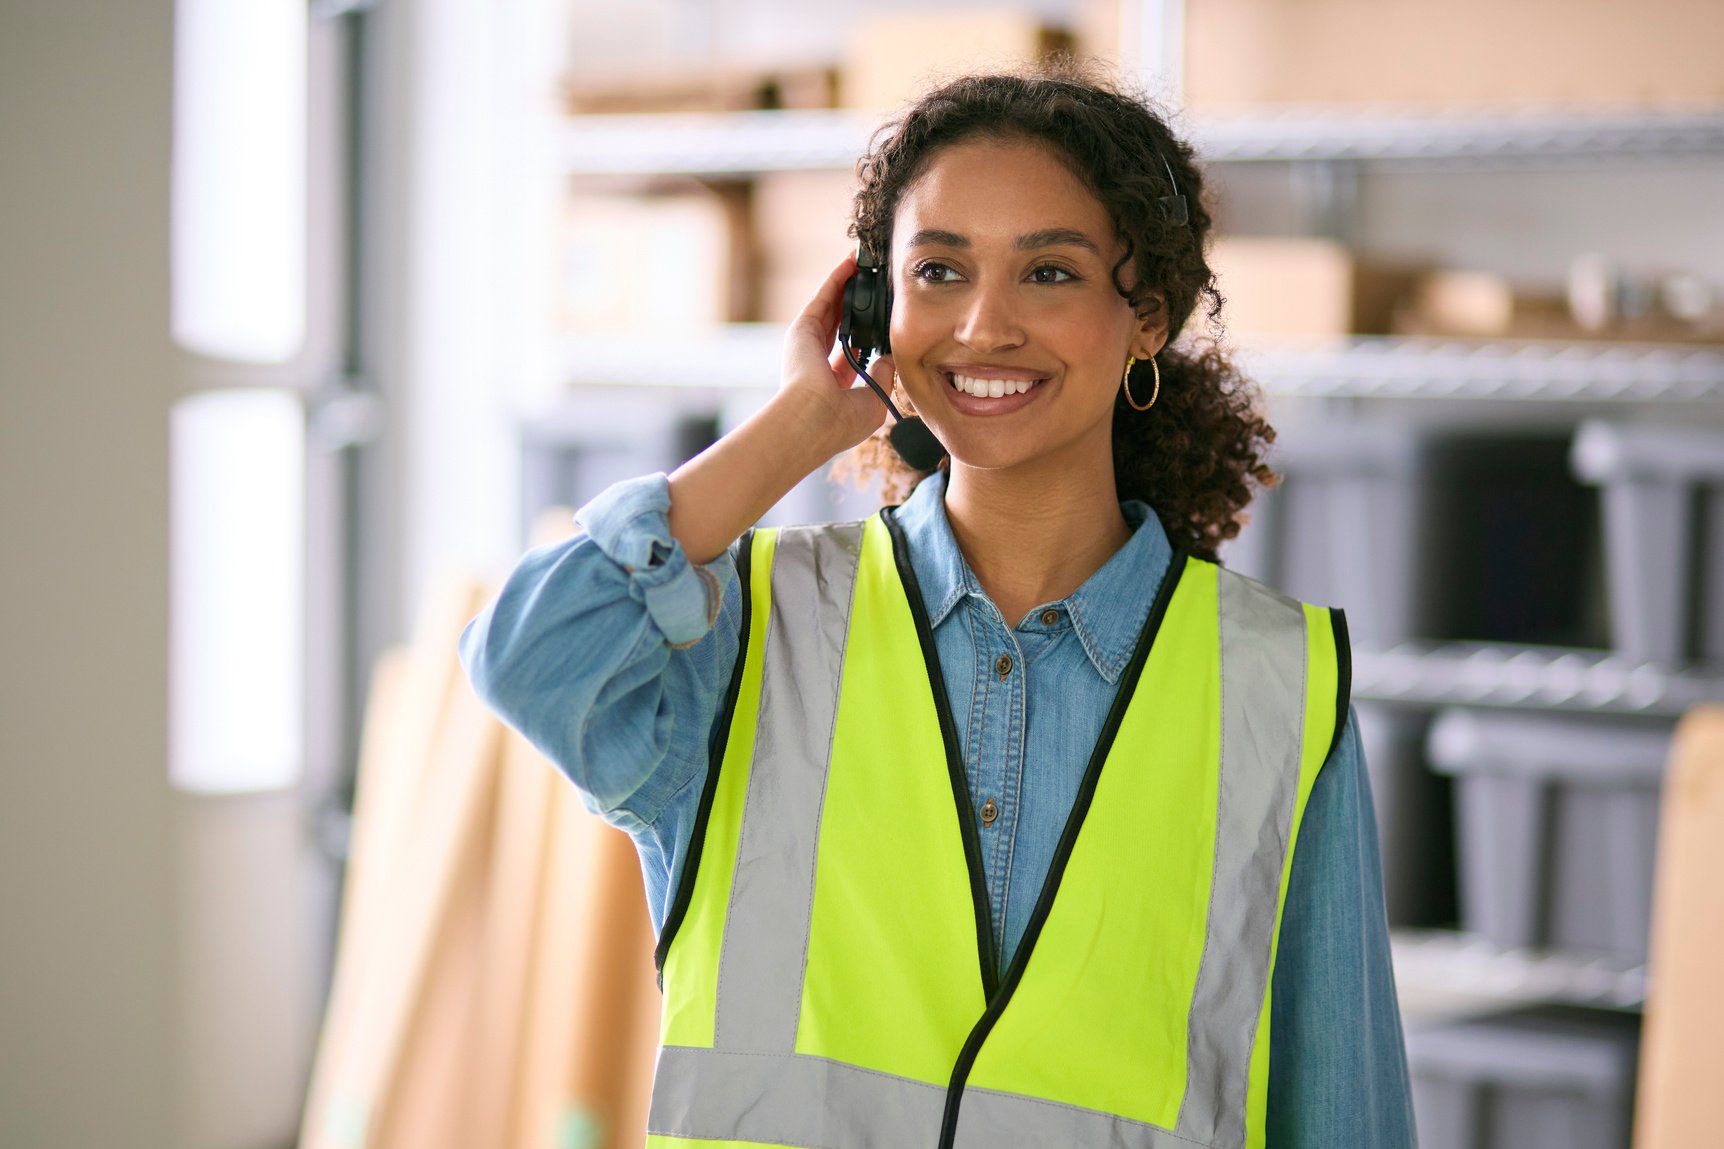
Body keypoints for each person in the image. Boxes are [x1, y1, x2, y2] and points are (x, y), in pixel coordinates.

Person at [461, 64, 1416, 1149]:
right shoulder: (753, 636)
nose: (984, 326)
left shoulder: (1276, 686)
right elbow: (528, 653)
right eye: (937, 271)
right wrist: (801, 424)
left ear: (1144, 314)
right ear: (875, 309)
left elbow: (1346, 1114)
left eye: (1048, 272)